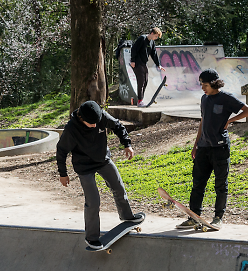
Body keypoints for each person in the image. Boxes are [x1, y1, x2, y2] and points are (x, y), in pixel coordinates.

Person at [56, 100, 145, 250]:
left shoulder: (101, 116)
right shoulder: (71, 129)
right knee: (93, 201)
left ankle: (127, 216)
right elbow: (61, 150)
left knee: (118, 186)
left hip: (103, 159)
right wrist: (63, 173)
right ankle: (91, 238)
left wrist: (127, 144)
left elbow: (118, 126)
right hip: (84, 167)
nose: (95, 126)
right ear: (82, 119)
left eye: (97, 123)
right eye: (91, 124)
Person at [177, 69, 248, 230]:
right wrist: (196, 144)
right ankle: (194, 217)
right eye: (201, 85)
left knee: (220, 185)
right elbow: (202, 121)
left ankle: (218, 217)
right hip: (203, 148)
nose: (203, 88)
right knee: (198, 183)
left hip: (220, 148)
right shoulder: (204, 99)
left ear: (214, 83)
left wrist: (230, 120)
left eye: (205, 85)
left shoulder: (226, 98)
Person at [130, 27, 166, 107]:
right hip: (137, 63)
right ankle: (139, 101)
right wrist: (132, 60)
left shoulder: (152, 43)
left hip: (143, 63)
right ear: (152, 33)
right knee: (141, 81)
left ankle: (141, 99)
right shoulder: (142, 39)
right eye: (156, 36)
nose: (156, 38)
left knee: (145, 81)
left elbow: (154, 54)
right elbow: (134, 49)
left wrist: (158, 64)